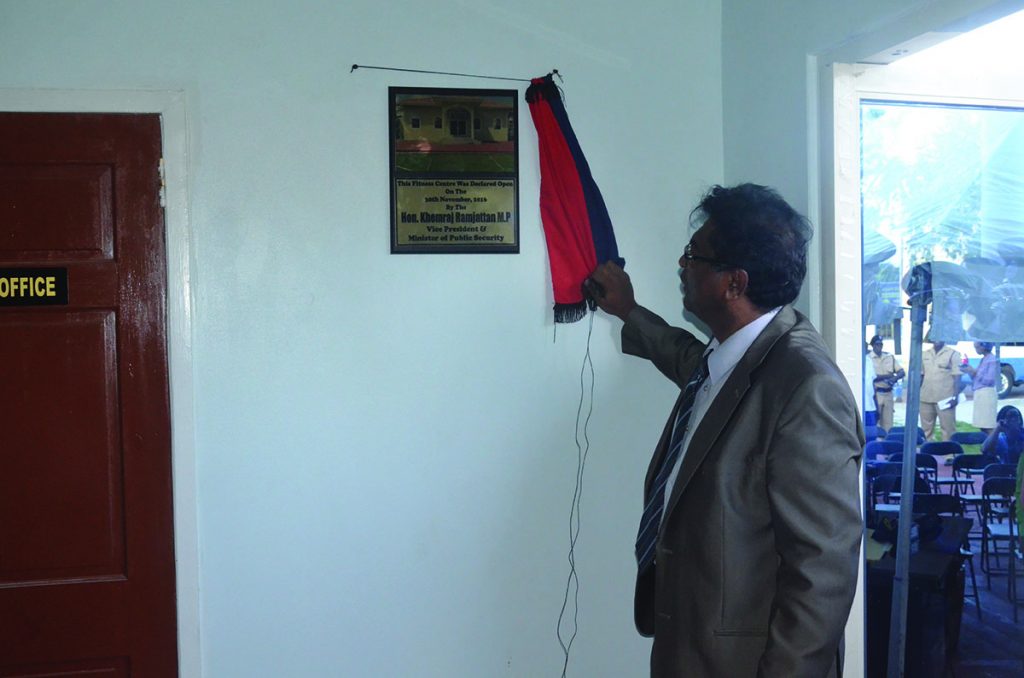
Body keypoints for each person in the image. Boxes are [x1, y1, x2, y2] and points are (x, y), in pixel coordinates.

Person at [589, 184, 862, 677]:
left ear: (734, 283)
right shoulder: (733, 356)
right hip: (689, 649)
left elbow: (823, 571)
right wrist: (628, 310)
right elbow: (688, 360)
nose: (681, 263)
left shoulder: (806, 387)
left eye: (695, 256)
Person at [919, 340, 962, 441]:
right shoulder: (924, 354)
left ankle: (949, 455)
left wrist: (955, 397)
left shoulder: (953, 354)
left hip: (945, 398)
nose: (936, 340)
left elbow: (957, 377)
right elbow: (921, 375)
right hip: (926, 397)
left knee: (948, 429)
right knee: (926, 430)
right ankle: (927, 453)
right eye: (934, 337)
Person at [869, 335, 905, 432]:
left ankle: (887, 443)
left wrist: (894, 378)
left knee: (888, 424)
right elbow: (872, 378)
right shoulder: (868, 359)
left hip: (888, 393)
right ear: (873, 345)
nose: (879, 346)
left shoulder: (889, 357)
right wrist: (887, 376)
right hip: (876, 394)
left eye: (881, 344)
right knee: (875, 422)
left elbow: (902, 372)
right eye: (877, 344)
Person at [963, 341, 999, 435]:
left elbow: (989, 380)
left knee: (988, 424)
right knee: (981, 425)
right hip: (979, 393)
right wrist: (969, 371)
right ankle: (987, 445)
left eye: (977, 347)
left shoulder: (992, 360)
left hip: (987, 394)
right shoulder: (984, 359)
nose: (976, 350)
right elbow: (976, 378)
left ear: (984, 347)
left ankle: (995, 445)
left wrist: (974, 372)